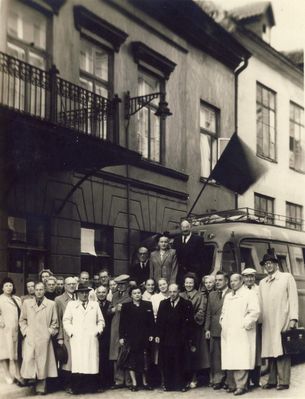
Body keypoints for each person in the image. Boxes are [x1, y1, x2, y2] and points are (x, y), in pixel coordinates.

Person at [259, 253, 298, 390]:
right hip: (268, 321)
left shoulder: (286, 277)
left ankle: (284, 381)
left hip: (282, 319)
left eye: (271, 262)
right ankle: (272, 380)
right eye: (266, 263)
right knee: (271, 350)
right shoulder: (262, 283)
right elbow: (260, 303)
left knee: (283, 350)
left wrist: (293, 319)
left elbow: (293, 299)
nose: (268, 265)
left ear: (276, 264)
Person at [220, 274, 260, 396]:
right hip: (229, 331)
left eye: (235, 280)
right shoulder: (228, 296)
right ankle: (232, 384)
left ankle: (241, 386)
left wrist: (245, 324)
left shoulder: (249, 294)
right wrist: (222, 322)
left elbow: (255, 311)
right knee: (230, 357)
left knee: (241, 357)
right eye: (231, 281)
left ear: (241, 281)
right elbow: (223, 312)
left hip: (242, 331)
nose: (232, 283)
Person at [63, 283, 105, 394]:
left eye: (86, 292)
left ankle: (92, 387)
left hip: (91, 338)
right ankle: (77, 388)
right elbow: (66, 321)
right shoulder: (72, 305)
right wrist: (72, 333)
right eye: (82, 292)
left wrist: (97, 331)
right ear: (77, 294)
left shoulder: (95, 305)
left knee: (91, 362)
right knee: (79, 363)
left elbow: (101, 321)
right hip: (77, 339)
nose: (85, 294)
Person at [19, 282, 58, 395]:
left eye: (41, 289)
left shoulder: (51, 304)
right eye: (37, 289)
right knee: (29, 360)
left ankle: (41, 387)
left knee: (43, 362)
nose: (39, 292)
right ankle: (31, 382)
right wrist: (26, 332)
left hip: (44, 338)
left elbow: (55, 322)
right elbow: (22, 320)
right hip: (30, 337)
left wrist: (49, 333)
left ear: (44, 290)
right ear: (34, 291)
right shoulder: (27, 303)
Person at [156, 283, 194, 392]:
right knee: (167, 362)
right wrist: (158, 335)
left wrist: (188, 338)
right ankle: (168, 385)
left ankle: (181, 385)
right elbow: (159, 321)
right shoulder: (163, 304)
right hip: (166, 338)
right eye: (170, 292)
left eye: (175, 292)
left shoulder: (186, 304)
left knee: (180, 361)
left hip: (180, 339)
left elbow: (190, 323)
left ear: (179, 292)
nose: (172, 294)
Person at [119, 286, 155, 391]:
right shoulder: (126, 307)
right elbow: (122, 324)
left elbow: (151, 322)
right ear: (131, 295)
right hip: (131, 338)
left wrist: (152, 334)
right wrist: (121, 337)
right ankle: (134, 383)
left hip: (144, 337)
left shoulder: (147, 305)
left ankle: (145, 382)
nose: (137, 295)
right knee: (132, 361)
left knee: (145, 360)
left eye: (139, 292)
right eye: (134, 293)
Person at [180, 273, 209, 389]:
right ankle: (184, 378)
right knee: (183, 353)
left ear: (194, 283)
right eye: (186, 282)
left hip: (195, 328)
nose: (188, 285)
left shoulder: (200, 296)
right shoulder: (180, 294)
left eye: (191, 283)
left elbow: (201, 311)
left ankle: (194, 378)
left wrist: (191, 321)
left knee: (194, 353)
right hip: (182, 329)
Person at [204, 271, 231, 390]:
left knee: (228, 354)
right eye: (216, 280)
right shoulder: (212, 295)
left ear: (226, 281)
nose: (217, 282)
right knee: (216, 356)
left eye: (220, 280)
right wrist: (207, 328)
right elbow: (209, 313)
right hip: (214, 328)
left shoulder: (232, 293)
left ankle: (229, 380)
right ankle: (218, 379)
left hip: (227, 329)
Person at [108, 274, 132, 389]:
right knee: (115, 354)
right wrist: (113, 309)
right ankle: (118, 380)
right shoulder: (114, 295)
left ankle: (128, 381)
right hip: (115, 327)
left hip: (126, 327)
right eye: (119, 285)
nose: (120, 287)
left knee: (126, 353)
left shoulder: (131, 295)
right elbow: (108, 311)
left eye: (123, 284)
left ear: (127, 284)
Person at [55, 276, 78, 394]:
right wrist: (60, 337)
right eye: (69, 284)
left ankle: (76, 384)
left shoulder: (80, 297)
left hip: (79, 334)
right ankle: (67, 384)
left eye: (74, 284)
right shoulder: (59, 300)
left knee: (78, 360)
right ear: (64, 286)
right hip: (66, 335)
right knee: (67, 361)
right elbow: (58, 319)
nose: (72, 286)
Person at [0, 278, 24, 386]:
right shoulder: (0, 299)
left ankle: (18, 374)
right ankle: (7, 375)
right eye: (6, 286)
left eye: (10, 285)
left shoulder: (17, 299)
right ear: (2, 288)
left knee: (16, 353)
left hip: (17, 330)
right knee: (4, 353)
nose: (9, 288)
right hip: (4, 330)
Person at [242, 267, 262, 388]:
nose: (249, 279)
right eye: (247, 276)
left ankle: (256, 379)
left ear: (254, 277)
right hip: (244, 326)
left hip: (257, 324)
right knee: (246, 351)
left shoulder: (259, 289)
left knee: (257, 352)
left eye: (251, 276)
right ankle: (246, 380)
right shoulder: (240, 291)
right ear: (243, 278)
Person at [172, 220, 206, 286]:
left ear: (190, 227)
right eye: (183, 227)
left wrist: (201, 274)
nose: (185, 229)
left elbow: (202, 258)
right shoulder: (176, 239)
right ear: (181, 228)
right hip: (180, 274)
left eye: (187, 227)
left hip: (193, 273)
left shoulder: (198, 239)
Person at [96, 285, 113, 389]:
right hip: (96, 335)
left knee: (106, 359)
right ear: (96, 293)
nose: (101, 294)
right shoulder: (93, 305)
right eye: (99, 292)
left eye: (103, 292)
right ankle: (97, 382)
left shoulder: (110, 305)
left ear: (107, 293)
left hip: (108, 335)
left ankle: (106, 382)